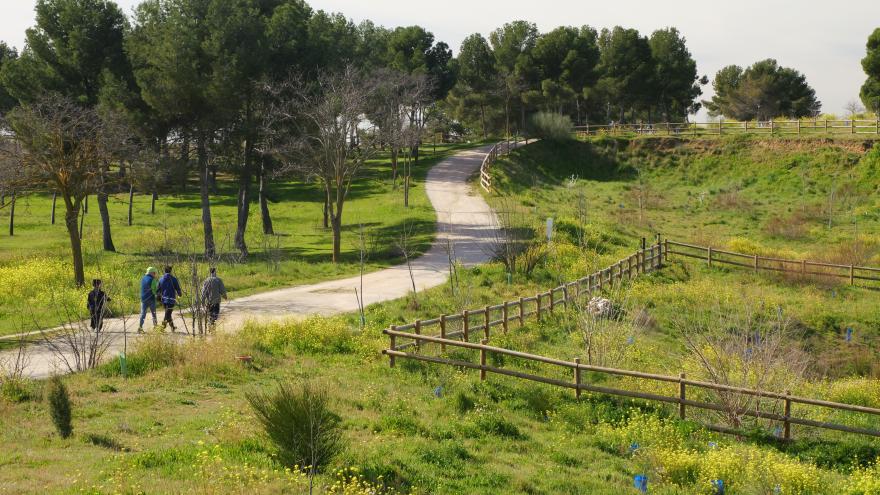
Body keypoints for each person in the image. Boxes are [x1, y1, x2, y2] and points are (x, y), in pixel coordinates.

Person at [157, 265, 182, 332]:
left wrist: (158, 299)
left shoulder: (161, 279)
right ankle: (162, 328)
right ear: (170, 271)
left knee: (168, 314)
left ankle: (173, 327)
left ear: (164, 271)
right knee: (167, 314)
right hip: (171, 300)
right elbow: (178, 289)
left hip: (164, 300)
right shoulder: (174, 279)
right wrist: (180, 294)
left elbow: (158, 290)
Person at [138, 267, 159, 332]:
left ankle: (140, 328)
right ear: (152, 273)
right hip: (151, 299)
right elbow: (154, 290)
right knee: (154, 314)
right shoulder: (153, 279)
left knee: (143, 314)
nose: (155, 274)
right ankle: (155, 328)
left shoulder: (143, 278)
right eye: (154, 273)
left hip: (143, 299)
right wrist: (158, 295)